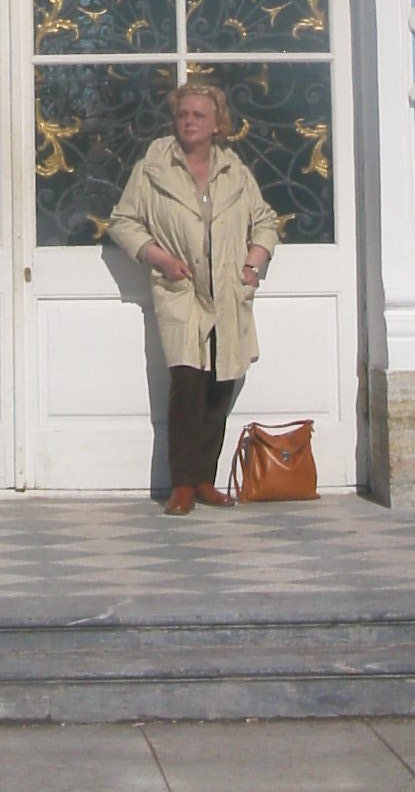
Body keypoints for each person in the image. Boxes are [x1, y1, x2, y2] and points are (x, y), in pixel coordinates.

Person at [108, 80, 279, 514]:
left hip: (226, 290)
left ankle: (205, 478)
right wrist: (160, 259)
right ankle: (181, 483)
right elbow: (123, 222)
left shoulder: (235, 171)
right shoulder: (153, 169)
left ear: (217, 124)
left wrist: (253, 264)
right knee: (186, 384)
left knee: (220, 385)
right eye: (183, 114)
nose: (189, 122)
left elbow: (264, 220)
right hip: (181, 290)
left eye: (199, 115)